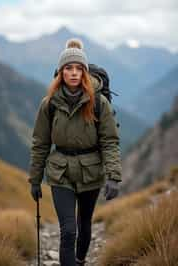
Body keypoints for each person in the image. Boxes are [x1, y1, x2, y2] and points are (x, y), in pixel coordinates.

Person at [28, 38, 122, 266]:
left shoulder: (99, 103)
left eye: (78, 68)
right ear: (61, 72)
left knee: (84, 225)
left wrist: (113, 176)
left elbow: (109, 141)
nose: (73, 73)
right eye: (68, 68)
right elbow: (40, 143)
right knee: (68, 230)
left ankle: (79, 261)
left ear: (84, 72)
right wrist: (35, 179)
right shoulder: (49, 104)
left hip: (91, 172)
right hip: (60, 172)